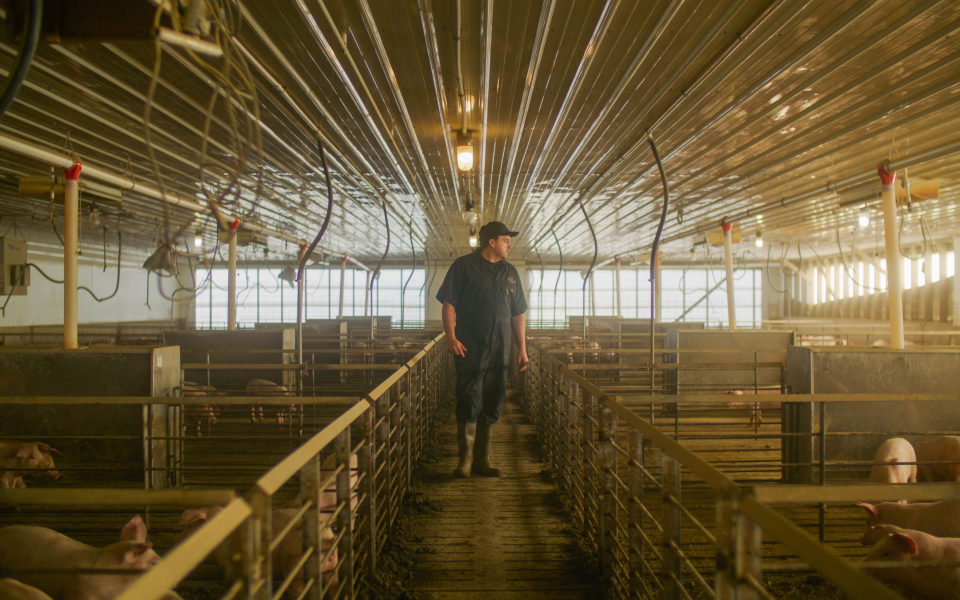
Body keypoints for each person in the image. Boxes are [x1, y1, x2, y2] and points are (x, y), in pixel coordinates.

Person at [436, 221, 528, 478]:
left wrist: (522, 348)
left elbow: (517, 313)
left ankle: (482, 460)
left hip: (501, 347)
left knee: (494, 396)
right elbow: (449, 303)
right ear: (491, 242)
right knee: (468, 396)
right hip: (470, 344)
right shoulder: (463, 266)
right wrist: (451, 337)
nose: (510, 244)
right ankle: (464, 462)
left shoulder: (510, 273)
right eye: (506, 239)